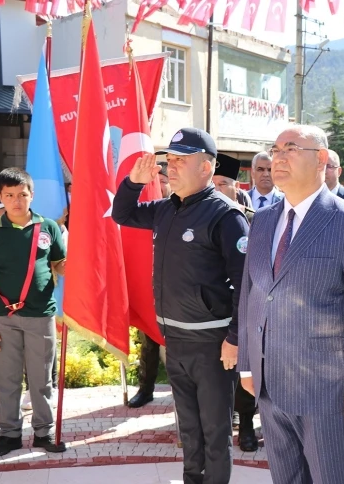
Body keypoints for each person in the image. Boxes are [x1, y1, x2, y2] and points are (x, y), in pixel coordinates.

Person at [237, 125, 344, 484]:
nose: (278, 158)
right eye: (274, 151)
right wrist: (247, 363)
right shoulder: (263, 221)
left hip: (326, 391)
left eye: (290, 149)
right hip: (269, 382)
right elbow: (250, 294)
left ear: (321, 158)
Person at [112, 128, 248, 484]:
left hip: (212, 344)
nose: (170, 168)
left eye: (180, 160)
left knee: (215, 430)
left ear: (206, 167)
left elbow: (246, 286)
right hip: (175, 338)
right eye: (168, 160)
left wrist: (235, 339)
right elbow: (121, 214)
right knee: (188, 426)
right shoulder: (166, 210)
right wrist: (133, 182)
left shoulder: (225, 215)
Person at [0, 167, 67, 457]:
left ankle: (44, 432)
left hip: (40, 315)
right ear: (0, 197)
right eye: (9, 195)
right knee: (7, 379)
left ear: (32, 195)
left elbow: (59, 265)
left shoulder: (48, 227)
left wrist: (79, 261)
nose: (16, 201)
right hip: (2, 317)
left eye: (22, 195)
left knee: (41, 378)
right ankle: (9, 433)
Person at [212, 152, 258, 451]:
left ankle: (247, 426)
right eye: (212, 183)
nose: (217, 189)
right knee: (214, 376)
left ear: (236, 187)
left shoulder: (253, 220)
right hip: (208, 310)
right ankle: (220, 426)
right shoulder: (194, 215)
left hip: (243, 308)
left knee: (245, 369)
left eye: (224, 183)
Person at [127, 163, 171, 410]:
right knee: (149, 342)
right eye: (158, 180)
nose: (161, 185)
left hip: (177, 287)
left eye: (164, 180)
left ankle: (183, 393)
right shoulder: (147, 210)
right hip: (149, 286)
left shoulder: (180, 207)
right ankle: (145, 388)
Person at [215, 153, 256, 226]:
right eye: (211, 185)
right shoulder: (201, 215)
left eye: (222, 184)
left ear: (237, 186)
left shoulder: (251, 218)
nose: (216, 190)